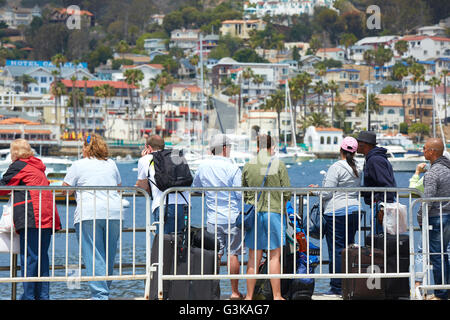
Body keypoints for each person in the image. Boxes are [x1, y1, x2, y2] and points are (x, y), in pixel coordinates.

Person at [62, 133, 123, 300]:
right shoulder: (111, 164)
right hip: (114, 212)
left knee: (93, 253)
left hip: (89, 212)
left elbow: (64, 189)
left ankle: (100, 295)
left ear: (87, 148)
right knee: (108, 255)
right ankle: (104, 290)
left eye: (83, 146)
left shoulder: (78, 164)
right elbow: (119, 187)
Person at [0, 139, 61, 300]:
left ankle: (28, 296)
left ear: (14, 152)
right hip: (47, 214)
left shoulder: (19, 166)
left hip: (32, 214)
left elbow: (3, 187)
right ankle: (42, 295)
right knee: (42, 257)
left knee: (30, 257)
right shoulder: (37, 166)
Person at [192, 133, 244, 300]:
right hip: (233, 217)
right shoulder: (233, 167)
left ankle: (212, 291)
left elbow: (197, 188)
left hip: (213, 217)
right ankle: (235, 292)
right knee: (233, 254)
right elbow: (239, 194)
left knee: (215, 254)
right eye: (229, 147)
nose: (230, 150)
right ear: (223, 148)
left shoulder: (203, 166)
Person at [309, 137, 362, 296]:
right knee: (349, 249)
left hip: (337, 212)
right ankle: (349, 286)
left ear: (341, 150)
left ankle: (337, 287)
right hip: (354, 210)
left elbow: (327, 193)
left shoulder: (337, 166)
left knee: (337, 251)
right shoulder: (358, 167)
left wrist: (314, 191)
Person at [242, 134, 291, 300]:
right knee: (274, 256)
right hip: (274, 213)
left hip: (254, 213)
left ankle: (249, 296)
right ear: (272, 147)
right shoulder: (279, 164)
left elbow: (244, 191)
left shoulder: (248, 165)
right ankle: (277, 296)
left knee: (253, 257)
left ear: (257, 146)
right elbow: (287, 191)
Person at [135, 134, 188, 234]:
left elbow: (142, 185)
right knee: (181, 244)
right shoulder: (176, 156)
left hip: (163, 204)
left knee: (164, 244)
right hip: (184, 204)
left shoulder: (145, 160)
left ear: (148, 147)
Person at [419, 138, 450, 300]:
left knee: (437, 255)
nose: (422, 151)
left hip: (437, 218)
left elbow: (427, 200)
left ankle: (441, 293)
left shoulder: (433, 173)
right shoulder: (448, 168)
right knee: (444, 254)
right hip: (448, 217)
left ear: (432, 151)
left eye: (424, 148)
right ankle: (445, 289)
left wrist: (419, 217)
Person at [356, 131, 397, 234]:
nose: (355, 146)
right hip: (378, 204)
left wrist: (383, 209)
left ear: (363, 144)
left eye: (357, 143)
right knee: (377, 239)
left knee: (379, 240)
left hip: (380, 206)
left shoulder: (375, 160)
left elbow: (387, 185)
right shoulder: (374, 158)